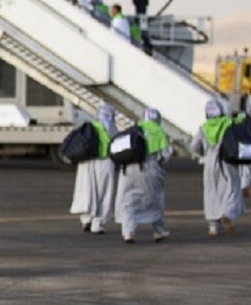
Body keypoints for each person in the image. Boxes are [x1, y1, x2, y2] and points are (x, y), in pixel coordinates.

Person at [116, 108, 173, 243]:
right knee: (155, 199)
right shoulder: (158, 131)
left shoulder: (133, 129)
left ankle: (128, 232)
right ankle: (159, 231)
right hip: (150, 167)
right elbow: (166, 154)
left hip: (128, 168)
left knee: (128, 200)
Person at [190, 99, 244, 237]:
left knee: (211, 193)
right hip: (227, 162)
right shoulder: (228, 124)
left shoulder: (203, 128)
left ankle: (213, 226)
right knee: (231, 189)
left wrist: (204, 154)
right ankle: (227, 212)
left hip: (209, 163)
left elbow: (194, 147)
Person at [70, 103, 118, 234]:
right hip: (105, 162)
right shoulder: (112, 129)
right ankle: (98, 223)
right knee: (104, 193)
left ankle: (86, 219)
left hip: (86, 163)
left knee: (87, 190)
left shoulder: (89, 127)